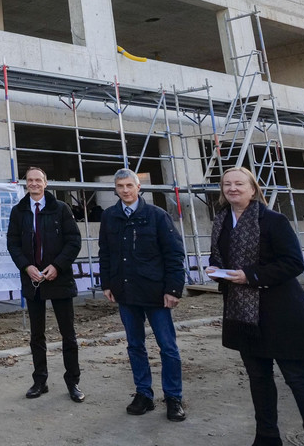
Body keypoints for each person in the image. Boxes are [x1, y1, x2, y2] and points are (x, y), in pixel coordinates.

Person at [207, 167, 304, 446]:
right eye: (227, 184)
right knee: (258, 378)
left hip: (281, 312)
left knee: (299, 380)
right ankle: (266, 437)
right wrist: (217, 270)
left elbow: (293, 263)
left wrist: (250, 275)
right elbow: (221, 256)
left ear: (253, 189)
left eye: (239, 183)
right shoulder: (221, 221)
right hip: (244, 315)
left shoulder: (273, 220)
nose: (232, 188)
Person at [98, 168, 187, 422]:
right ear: (115, 189)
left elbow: (174, 254)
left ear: (139, 188)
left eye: (129, 186)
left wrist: (173, 289)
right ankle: (143, 394)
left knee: (168, 347)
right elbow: (105, 253)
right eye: (120, 187)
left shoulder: (156, 216)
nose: (125, 190)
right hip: (125, 293)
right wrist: (107, 283)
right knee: (135, 345)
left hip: (156, 293)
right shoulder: (110, 217)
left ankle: (173, 397)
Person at [6, 167, 84, 402]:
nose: (34, 184)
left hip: (58, 278)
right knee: (36, 335)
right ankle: (40, 381)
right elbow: (13, 243)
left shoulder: (61, 209)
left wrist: (57, 266)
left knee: (68, 334)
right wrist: (26, 266)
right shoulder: (18, 211)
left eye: (38, 180)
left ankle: (73, 382)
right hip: (33, 281)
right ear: (25, 184)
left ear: (46, 183)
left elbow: (73, 241)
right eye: (30, 180)